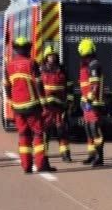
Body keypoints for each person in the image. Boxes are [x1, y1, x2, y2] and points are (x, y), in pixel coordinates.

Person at [4, 35, 45, 173]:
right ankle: (40, 165)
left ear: (15, 49)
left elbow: (6, 86)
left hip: (18, 107)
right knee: (38, 134)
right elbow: (39, 83)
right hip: (33, 105)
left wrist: (11, 101)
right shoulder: (32, 63)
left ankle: (26, 166)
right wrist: (43, 102)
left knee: (23, 135)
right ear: (28, 48)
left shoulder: (9, 65)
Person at [38, 43, 71, 167]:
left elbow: (69, 86)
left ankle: (65, 154)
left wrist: (69, 101)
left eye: (54, 56)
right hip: (46, 107)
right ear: (46, 57)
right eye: (50, 56)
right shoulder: (41, 70)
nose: (52, 58)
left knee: (62, 131)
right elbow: (38, 87)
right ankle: (43, 155)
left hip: (60, 107)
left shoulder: (62, 69)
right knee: (45, 133)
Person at [77, 37, 106, 168]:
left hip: (94, 103)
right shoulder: (87, 65)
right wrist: (83, 100)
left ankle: (99, 157)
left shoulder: (94, 65)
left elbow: (95, 85)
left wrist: (89, 99)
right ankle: (92, 155)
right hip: (87, 104)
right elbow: (85, 85)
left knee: (95, 129)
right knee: (89, 129)